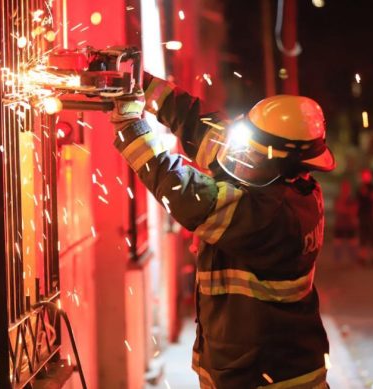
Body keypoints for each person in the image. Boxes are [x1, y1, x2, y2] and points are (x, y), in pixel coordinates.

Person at [109, 72, 335, 388]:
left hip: (270, 376)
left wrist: (130, 129)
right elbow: (199, 125)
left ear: (278, 160)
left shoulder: (269, 215)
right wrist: (134, 80)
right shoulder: (275, 177)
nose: (242, 155)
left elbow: (187, 195)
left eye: (253, 151)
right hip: (243, 368)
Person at [356, 169, 373, 265]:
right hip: (362, 215)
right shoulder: (359, 188)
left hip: (371, 215)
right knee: (363, 237)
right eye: (364, 176)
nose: (365, 178)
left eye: (367, 176)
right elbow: (357, 202)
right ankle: (362, 257)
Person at [333, 180, 358, 263]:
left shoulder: (352, 200)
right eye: (344, 188)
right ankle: (337, 260)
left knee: (352, 242)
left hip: (350, 224)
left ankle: (353, 259)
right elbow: (337, 208)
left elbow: (353, 210)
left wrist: (344, 209)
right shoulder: (338, 198)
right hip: (340, 224)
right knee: (338, 242)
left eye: (347, 188)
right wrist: (345, 209)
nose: (345, 190)